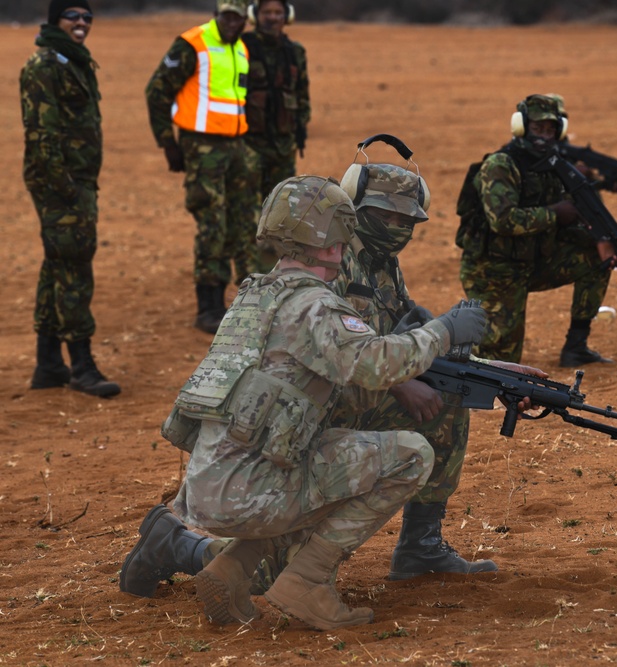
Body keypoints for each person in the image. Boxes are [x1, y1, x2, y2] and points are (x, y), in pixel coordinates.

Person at [120, 158, 534, 602]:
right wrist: (432, 348)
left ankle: (421, 546)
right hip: (292, 434)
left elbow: (393, 336)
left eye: (404, 219)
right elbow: (363, 356)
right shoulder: (322, 280)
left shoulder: (319, 275)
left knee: (447, 397)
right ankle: (180, 546)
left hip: (280, 429)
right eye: (382, 216)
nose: (395, 226)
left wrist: (498, 375)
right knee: (269, 576)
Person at [455, 94, 617, 367]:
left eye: (550, 130)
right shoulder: (501, 165)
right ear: (521, 127)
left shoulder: (553, 165)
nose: (543, 136)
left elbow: (578, 204)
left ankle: (576, 347)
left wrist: (600, 233)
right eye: (537, 129)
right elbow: (503, 220)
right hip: (494, 271)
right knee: (500, 362)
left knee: (594, 259)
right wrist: (555, 213)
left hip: (531, 262)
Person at [20, 0, 120, 398]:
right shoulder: (45, 65)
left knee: (57, 265)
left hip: (74, 183)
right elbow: (41, 136)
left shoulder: (74, 60)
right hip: (60, 186)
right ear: (55, 20)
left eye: (87, 17)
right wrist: (66, 190)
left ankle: (48, 364)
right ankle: (81, 366)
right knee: (75, 268)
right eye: (73, 16)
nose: (82, 23)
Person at [145, 0, 257, 334]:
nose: (233, 23)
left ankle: (243, 302)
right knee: (213, 223)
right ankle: (208, 307)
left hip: (236, 147)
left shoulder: (240, 48)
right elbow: (156, 91)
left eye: (239, 18)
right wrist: (168, 143)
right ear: (217, 14)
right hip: (202, 147)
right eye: (227, 16)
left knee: (243, 223)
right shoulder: (193, 43)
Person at [241, 0, 309, 202]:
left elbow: (302, 95)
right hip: (249, 146)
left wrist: (299, 130)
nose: (272, 17)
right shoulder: (241, 48)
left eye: (278, 12)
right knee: (246, 210)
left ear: (287, 16)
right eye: (267, 12)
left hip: (283, 148)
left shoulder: (295, 52)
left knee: (281, 208)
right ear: (255, 15)